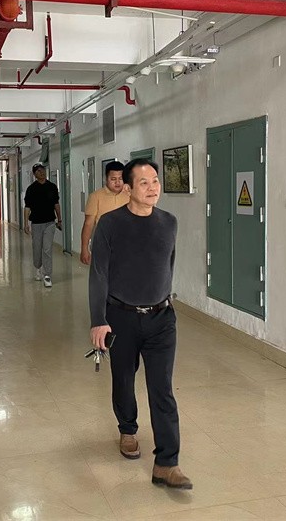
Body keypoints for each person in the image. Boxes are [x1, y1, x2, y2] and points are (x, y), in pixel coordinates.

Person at [88, 159, 191, 491]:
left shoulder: (169, 222)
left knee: (162, 388)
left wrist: (163, 301)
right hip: (121, 317)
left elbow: (167, 266)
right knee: (123, 379)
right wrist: (98, 320)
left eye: (155, 181)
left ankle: (167, 464)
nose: (152, 188)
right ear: (128, 188)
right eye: (144, 183)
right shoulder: (110, 224)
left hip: (161, 318)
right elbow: (99, 274)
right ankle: (128, 429)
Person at [80, 161, 128, 265]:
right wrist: (84, 248)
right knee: (103, 274)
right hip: (103, 245)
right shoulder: (95, 197)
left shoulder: (130, 195)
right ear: (106, 178)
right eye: (113, 179)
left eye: (120, 179)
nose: (117, 182)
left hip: (126, 246)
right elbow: (88, 224)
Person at [23, 162, 62, 288]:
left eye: (43, 170)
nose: (42, 173)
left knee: (47, 248)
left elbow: (56, 204)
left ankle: (47, 275)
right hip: (36, 223)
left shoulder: (52, 187)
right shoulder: (31, 189)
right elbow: (27, 207)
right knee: (37, 248)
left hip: (50, 222)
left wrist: (59, 219)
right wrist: (26, 224)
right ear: (34, 174)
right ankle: (38, 267)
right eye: (38, 171)